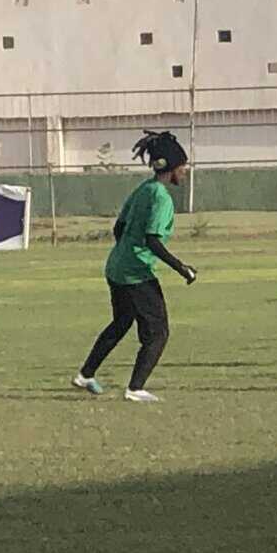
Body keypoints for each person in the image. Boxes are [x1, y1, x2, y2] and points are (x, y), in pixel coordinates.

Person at [71, 130, 198, 403]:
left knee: (122, 321)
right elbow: (152, 240)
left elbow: (119, 227)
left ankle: (86, 374)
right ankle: (136, 388)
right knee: (158, 332)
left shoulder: (143, 189)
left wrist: (126, 250)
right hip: (134, 273)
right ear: (170, 168)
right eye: (182, 168)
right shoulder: (161, 198)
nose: (184, 173)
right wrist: (182, 268)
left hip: (116, 267)